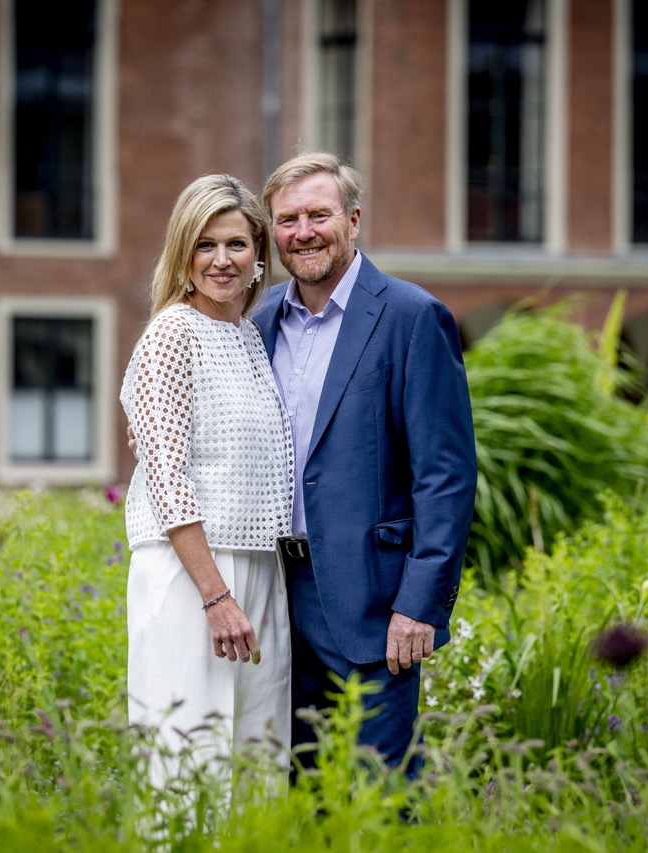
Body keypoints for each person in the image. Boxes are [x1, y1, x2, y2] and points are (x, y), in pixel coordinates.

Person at [251, 152, 476, 773]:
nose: (303, 232)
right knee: (300, 789)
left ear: (352, 220)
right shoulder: (260, 319)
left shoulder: (412, 316)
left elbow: (446, 476)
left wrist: (420, 605)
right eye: (288, 219)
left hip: (374, 603)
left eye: (318, 214)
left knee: (384, 794)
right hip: (272, 592)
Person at [120, 174, 293, 791]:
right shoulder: (172, 334)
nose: (222, 260)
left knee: (255, 763)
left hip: (259, 571)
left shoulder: (248, 336)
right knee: (187, 766)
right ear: (183, 254)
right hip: (193, 575)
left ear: (258, 257)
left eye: (237, 245)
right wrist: (216, 597)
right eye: (205, 245)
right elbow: (167, 476)